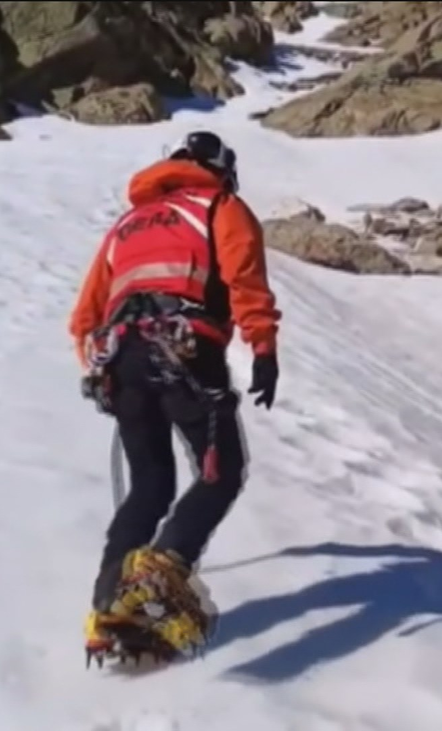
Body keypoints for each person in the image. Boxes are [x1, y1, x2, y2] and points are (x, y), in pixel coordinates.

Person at [67, 130, 281, 658]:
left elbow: (85, 317)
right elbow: (243, 277)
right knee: (220, 472)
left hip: (120, 359)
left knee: (150, 487)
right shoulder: (218, 205)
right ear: (222, 170)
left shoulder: (127, 224)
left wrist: (103, 366)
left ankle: (106, 608)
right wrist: (263, 347)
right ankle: (154, 583)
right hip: (182, 350)